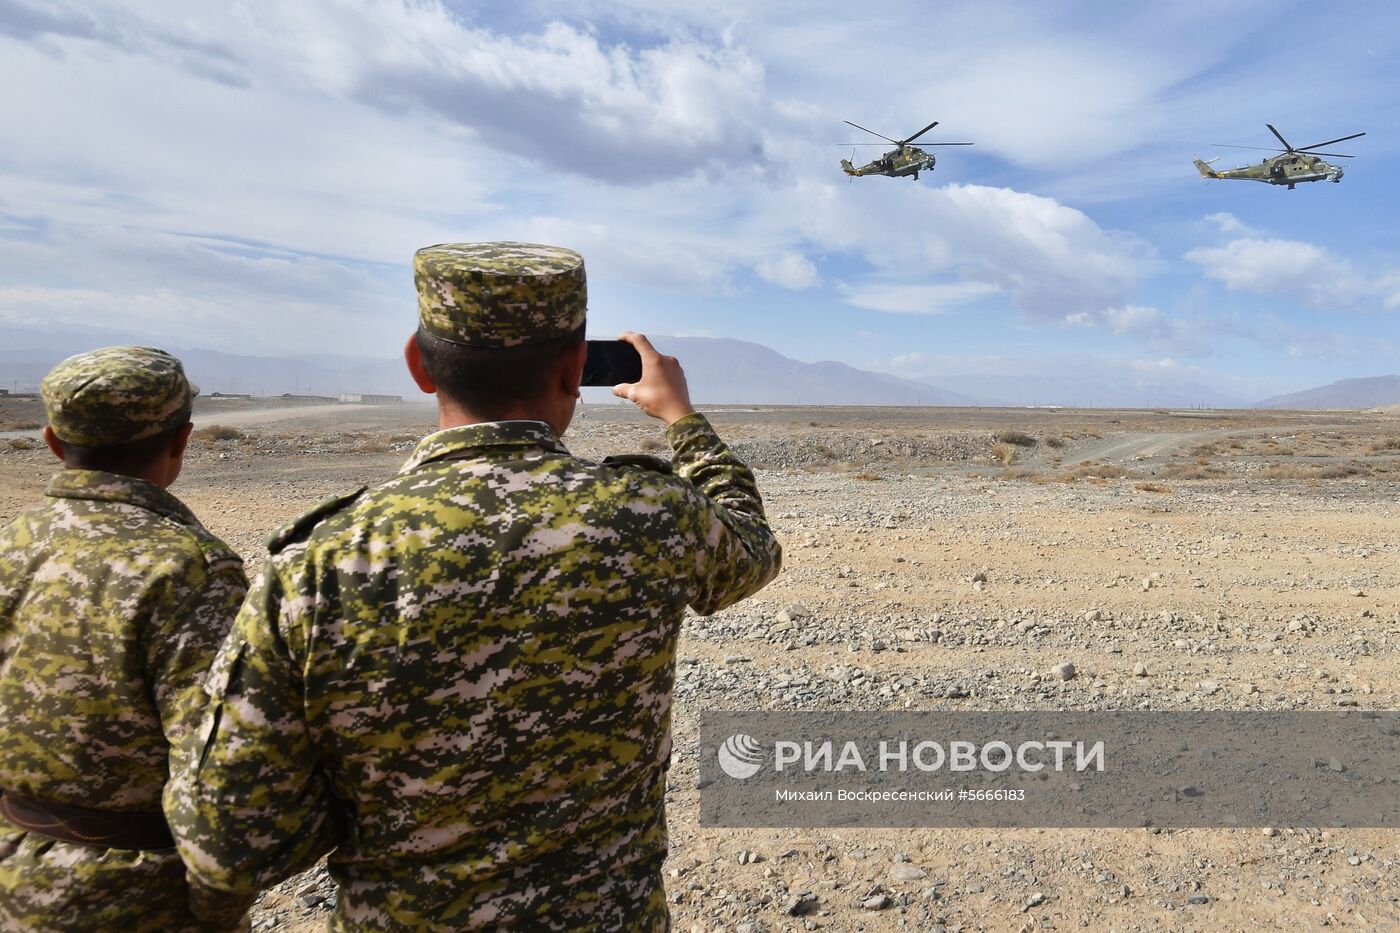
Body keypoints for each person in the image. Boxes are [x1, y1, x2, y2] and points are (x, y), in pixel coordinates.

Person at [167, 242, 783, 931]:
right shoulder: (649, 516)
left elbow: (225, 847)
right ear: (576, 368)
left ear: (418, 364)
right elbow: (752, 547)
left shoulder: (318, 564)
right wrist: (682, 420)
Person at [0, 346, 254, 931]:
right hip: (135, 896)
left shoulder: (12, 543)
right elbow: (219, 772)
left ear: (54, 443)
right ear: (182, 442)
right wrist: (218, 912)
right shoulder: (189, 569)